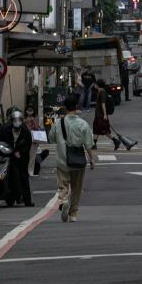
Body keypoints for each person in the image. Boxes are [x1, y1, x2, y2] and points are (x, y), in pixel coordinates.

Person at [48, 94, 94, 222]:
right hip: (78, 160)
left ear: (64, 108)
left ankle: (63, 201)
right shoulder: (83, 124)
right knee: (77, 188)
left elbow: (51, 138)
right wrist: (91, 159)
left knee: (62, 185)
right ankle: (73, 214)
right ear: (76, 107)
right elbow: (88, 144)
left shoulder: (58, 123)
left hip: (62, 159)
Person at [0, 109, 34, 206]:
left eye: (19, 120)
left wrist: (20, 152)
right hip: (6, 154)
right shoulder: (5, 128)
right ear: (11, 121)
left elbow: (28, 144)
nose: (17, 122)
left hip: (21, 157)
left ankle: (27, 200)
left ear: (22, 121)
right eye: (15, 120)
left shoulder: (25, 131)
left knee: (23, 176)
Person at [92, 79, 120, 151]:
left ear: (98, 85)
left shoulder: (102, 92)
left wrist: (105, 115)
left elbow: (103, 104)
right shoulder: (99, 92)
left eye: (95, 84)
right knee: (96, 129)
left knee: (104, 130)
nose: (94, 85)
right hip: (98, 115)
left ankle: (115, 141)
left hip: (101, 115)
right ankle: (94, 144)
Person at [24, 106, 41, 176]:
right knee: (25, 156)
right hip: (25, 138)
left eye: (31, 110)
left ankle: (30, 171)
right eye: (28, 110)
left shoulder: (36, 118)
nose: (30, 111)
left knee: (32, 156)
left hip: (33, 138)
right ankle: (25, 171)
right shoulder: (23, 117)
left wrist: (33, 120)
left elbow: (37, 127)